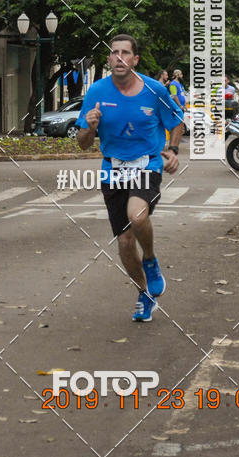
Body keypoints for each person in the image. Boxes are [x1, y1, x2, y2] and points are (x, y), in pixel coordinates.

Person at [76, 34, 185, 322]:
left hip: (147, 165)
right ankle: (144, 293)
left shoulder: (155, 89)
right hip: (112, 169)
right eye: (114, 53)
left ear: (135, 59)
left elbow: (177, 121)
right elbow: (83, 143)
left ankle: (150, 260)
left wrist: (172, 150)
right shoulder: (96, 91)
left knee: (137, 217)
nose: (119, 57)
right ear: (109, 59)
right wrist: (90, 127)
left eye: (126, 53)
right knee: (124, 243)